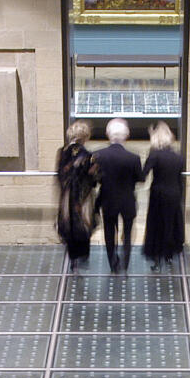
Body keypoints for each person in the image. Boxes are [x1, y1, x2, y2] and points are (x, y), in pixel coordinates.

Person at [91, 117, 144, 273]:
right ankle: (126, 262)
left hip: (107, 199)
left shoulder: (98, 155)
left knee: (109, 232)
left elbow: (95, 178)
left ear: (109, 135)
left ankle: (113, 263)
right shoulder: (133, 158)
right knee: (127, 233)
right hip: (127, 200)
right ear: (126, 135)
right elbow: (140, 178)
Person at [141, 122, 185, 271]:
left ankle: (157, 257)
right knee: (171, 224)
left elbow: (143, 174)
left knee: (157, 224)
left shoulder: (155, 155)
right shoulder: (178, 156)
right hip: (175, 193)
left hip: (159, 193)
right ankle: (169, 254)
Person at [55, 120, 98, 267]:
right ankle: (82, 256)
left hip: (66, 198)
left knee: (68, 225)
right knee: (83, 226)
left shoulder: (62, 153)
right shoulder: (89, 156)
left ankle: (72, 257)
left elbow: (60, 175)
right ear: (85, 136)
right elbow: (93, 179)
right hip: (82, 199)